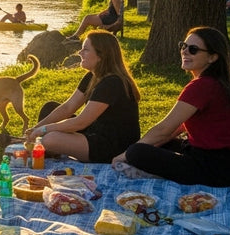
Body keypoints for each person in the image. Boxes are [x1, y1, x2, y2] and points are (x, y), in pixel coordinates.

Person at [112, 27, 230, 186]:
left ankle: (149, 170)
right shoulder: (219, 82)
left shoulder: (203, 86)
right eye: (183, 46)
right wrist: (155, 142)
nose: (185, 51)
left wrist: (126, 155)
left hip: (216, 169)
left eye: (193, 49)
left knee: (136, 151)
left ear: (212, 57)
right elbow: (178, 127)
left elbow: (163, 129)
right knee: (156, 143)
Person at [20, 30, 141, 163]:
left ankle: (49, 147)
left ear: (101, 56)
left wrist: (44, 129)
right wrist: (35, 129)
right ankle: (48, 147)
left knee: (50, 138)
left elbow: (81, 122)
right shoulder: (93, 76)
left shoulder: (112, 83)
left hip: (112, 145)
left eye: (86, 50)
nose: (80, 53)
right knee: (49, 109)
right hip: (95, 130)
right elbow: (68, 107)